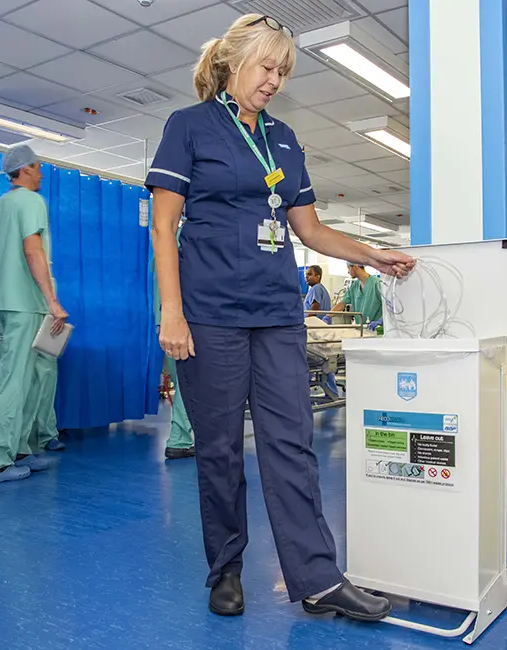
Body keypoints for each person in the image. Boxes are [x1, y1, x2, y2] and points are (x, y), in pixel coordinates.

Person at [147, 14, 415, 622]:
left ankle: (318, 578)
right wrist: (173, 312)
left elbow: (310, 228)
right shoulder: (187, 127)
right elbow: (165, 226)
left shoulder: (285, 138)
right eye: (267, 68)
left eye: (283, 72)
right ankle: (226, 569)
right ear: (232, 64)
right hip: (210, 313)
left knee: (292, 445)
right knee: (217, 449)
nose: (275, 81)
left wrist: (373, 254)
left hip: (276, 313)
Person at [0, 144, 68, 484]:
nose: (42, 173)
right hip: (28, 305)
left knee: (28, 377)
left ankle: (20, 449)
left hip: (3, 306)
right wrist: (53, 301)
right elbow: (33, 250)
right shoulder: (32, 202)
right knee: (16, 381)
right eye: (38, 167)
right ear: (25, 169)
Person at [154, 217, 196, 460]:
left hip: (164, 321)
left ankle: (182, 438)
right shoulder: (192, 239)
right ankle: (180, 439)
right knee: (188, 384)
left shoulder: (166, 241)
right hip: (184, 321)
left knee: (182, 382)